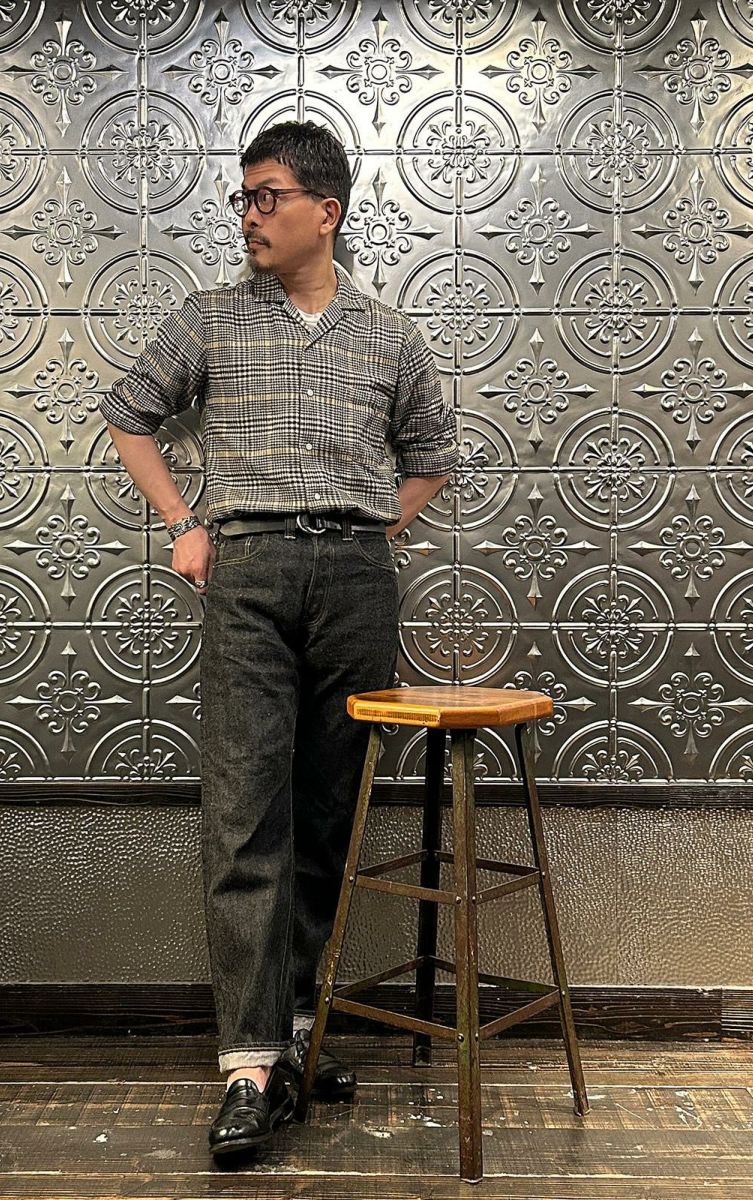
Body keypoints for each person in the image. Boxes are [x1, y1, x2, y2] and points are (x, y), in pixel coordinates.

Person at [100, 119, 458, 1160]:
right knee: (245, 810)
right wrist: (184, 523)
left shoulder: (389, 336)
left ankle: (301, 1034)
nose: (250, 216)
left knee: (329, 811)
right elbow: (129, 414)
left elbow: (434, 454)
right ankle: (249, 1067)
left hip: (355, 582)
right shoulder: (207, 318)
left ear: (325, 211)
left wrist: (372, 530)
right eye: (245, 199)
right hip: (247, 570)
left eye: (268, 197)